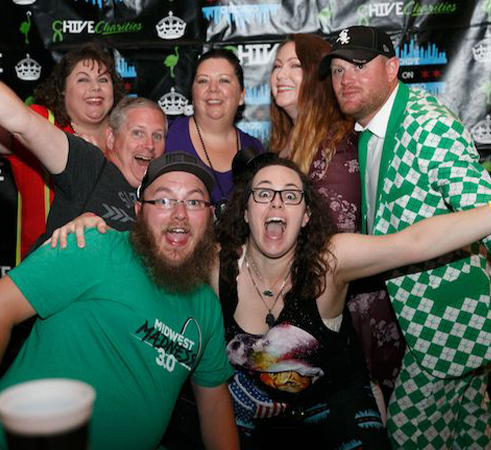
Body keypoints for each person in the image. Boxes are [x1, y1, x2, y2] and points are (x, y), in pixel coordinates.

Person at [50, 153, 491, 449]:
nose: (276, 202)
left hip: (333, 405)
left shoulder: (330, 261)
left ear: (305, 214)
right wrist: (98, 227)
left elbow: (412, 243)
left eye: (290, 195)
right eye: (263, 193)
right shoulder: (215, 263)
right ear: (245, 211)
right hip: (246, 412)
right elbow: (158, 246)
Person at [0, 152, 238, 450]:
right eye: (164, 200)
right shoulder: (93, 246)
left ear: (210, 217)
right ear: (139, 211)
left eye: (194, 202)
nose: (180, 214)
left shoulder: (206, 305)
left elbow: (215, 403)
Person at [319, 25, 491, 448]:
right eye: (338, 70)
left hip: (453, 323)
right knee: (470, 436)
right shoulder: (372, 129)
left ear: (393, 68)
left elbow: (485, 211)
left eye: (360, 65)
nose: (346, 79)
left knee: (407, 435)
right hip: (431, 324)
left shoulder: (427, 125)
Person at [269, 33, 404, 409]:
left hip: (350, 322)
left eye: (295, 65)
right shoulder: (281, 145)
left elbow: (333, 245)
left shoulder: (337, 144)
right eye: (277, 66)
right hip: (301, 317)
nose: (280, 74)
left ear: (318, 77)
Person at [0, 20, 125, 261]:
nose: (95, 88)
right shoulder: (41, 122)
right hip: (43, 269)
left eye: (103, 80)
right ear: (62, 89)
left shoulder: (128, 135)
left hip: (106, 267)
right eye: (83, 79)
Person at [165, 48, 264, 213]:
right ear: (192, 93)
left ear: (241, 95)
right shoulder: (166, 136)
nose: (213, 89)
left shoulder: (255, 149)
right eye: (203, 81)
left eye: (224, 80)